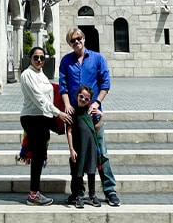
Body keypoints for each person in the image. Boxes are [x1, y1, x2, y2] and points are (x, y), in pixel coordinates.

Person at [59, 28, 120, 207]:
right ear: (70, 44)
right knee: (76, 154)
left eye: (78, 39)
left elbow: (105, 84)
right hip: (74, 114)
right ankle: (78, 191)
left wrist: (97, 103)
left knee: (101, 152)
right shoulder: (66, 61)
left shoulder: (98, 58)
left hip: (92, 114)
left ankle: (109, 190)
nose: (76, 42)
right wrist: (67, 105)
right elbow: (63, 86)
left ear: (84, 39)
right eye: (72, 41)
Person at [20, 46, 72, 206]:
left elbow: (49, 93)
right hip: (32, 118)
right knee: (37, 156)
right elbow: (39, 99)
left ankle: (35, 192)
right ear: (30, 58)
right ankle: (33, 195)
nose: (39, 60)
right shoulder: (27, 74)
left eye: (42, 58)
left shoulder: (40, 73)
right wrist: (59, 113)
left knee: (40, 155)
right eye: (36, 57)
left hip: (42, 118)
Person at [65, 84, 103, 208]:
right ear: (77, 96)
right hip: (78, 148)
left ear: (90, 101)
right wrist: (71, 149)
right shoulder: (73, 112)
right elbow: (69, 131)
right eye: (81, 97)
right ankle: (79, 195)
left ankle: (92, 195)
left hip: (90, 148)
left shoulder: (90, 113)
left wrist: (101, 117)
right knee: (78, 172)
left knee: (92, 171)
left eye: (86, 99)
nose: (83, 100)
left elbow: (96, 128)